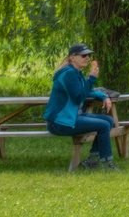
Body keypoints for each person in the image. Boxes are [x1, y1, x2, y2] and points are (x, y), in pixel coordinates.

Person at [44, 43, 121, 171]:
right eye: (84, 55)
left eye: (89, 55)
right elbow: (78, 97)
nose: (88, 58)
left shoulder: (75, 73)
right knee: (103, 125)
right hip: (59, 122)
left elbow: (85, 91)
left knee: (108, 120)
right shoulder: (69, 74)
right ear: (72, 58)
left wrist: (103, 96)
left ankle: (92, 160)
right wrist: (91, 79)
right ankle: (106, 164)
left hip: (71, 117)